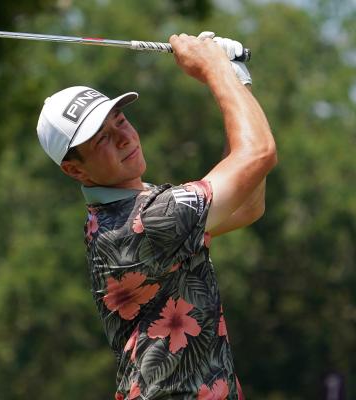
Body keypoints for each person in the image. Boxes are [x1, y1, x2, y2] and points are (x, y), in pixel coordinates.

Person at [36, 32, 276, 399]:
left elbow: (247, 204)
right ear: (76, 171)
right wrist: (214, 69)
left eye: (120, 120)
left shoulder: (135, 210)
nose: (124, 137)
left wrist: (235, 75)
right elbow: (259, 154)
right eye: (101, 139)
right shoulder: (150, 220)